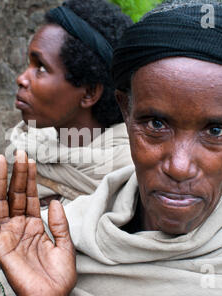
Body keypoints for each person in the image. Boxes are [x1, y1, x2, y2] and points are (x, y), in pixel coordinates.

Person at [0, 0, 222, 296]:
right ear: (126, 111)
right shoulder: (57, 239)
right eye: (155, 125)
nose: (178, 167)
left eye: (215, 131)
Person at [7, 0, 134, 209]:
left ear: (89, 93)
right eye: (28, 64)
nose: (21, 78)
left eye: (41, 68)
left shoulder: (128, 176)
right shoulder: (26, 150)